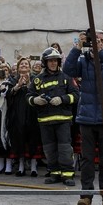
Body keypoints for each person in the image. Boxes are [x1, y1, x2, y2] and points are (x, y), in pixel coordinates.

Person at [62, 30, 103, 205]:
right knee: (87, 159)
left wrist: (101, 51)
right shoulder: (83, 61)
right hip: (87, 117)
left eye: (102, 40)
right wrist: (77, 48)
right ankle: (86, 197)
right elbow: (68, 70)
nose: (98, 43)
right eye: (94, 40)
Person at [27, 48, 78, 185]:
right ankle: (54, 173)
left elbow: (76, 95)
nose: (53, 63)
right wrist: (35, 100)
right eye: (50, 61)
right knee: (49, 149)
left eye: (55, 61)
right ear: (45, 62)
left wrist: (62, 99)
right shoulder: (37, 80)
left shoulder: (66, 77)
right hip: (45, 120)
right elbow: (28, 96)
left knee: (65, 148)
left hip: (63, 120)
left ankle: (67, 174)